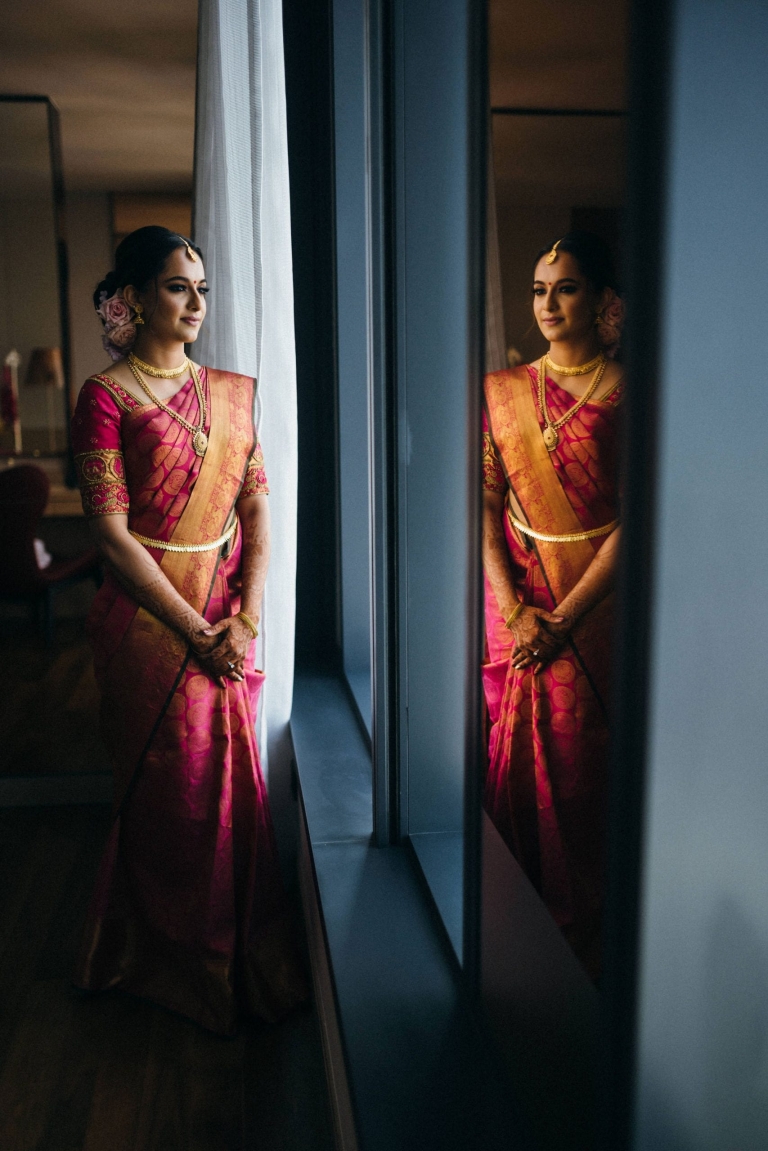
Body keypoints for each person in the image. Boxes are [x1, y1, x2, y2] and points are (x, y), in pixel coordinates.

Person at [71, 226, 304, 1033]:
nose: (196, 302)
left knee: (228, 793)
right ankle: (164, 959)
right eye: (178, 286)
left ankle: (233, 952)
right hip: (146, 623)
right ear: (133, 298)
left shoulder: (235, 394)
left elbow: (258, 505)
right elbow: (109, 532)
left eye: (202, 288)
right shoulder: (104, 396)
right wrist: (193, 628)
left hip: (225, 624)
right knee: (168, 791)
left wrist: (246, 617)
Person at [482, 232, 625, 975]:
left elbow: (640, 517)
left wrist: (564, 620)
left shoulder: (628, 394)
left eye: (565, 288)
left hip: (600, 611)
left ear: (603, 303)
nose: (547, 303)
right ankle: (519, 943)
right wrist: (516, 613)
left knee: (587, 767)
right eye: (539, 289)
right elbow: (483, 507)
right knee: (517, 770)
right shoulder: (501, 393)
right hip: (519, 611)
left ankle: (594, 948)